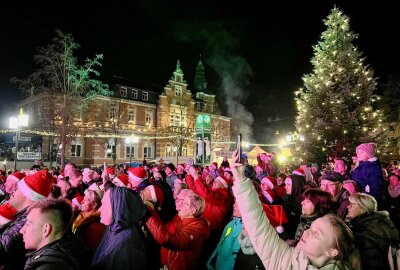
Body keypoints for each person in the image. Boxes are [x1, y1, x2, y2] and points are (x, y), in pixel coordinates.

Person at [230, 150, 360, 270]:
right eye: (311, 228)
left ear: (332, 251)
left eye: (317, 233)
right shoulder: (286, 260)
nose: (306, 232)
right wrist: (240, 180)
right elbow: (257, 225)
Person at [0, 169, 54, 269]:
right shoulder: (25, 216)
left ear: (26, 194)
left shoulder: (28, 220)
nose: (12, 193)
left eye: (16, 189)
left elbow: (3, 248)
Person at [146, 189, 210, 270]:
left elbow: (169, 240)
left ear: (193, 211)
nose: (180, 205)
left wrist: (148, 217)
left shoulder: (197, 229)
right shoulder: (181, 217)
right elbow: (164, 231)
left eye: (184, 203)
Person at [20, 198, 90, 269]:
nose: (22, 230)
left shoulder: (49, 266)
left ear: (46, 230)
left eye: (28, 224)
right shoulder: (60, 257)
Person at [91, 183, 148, 270]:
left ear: (119, 208)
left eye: (104, 204)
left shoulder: (129, 249)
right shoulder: (114, 228)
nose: (99, 209)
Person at [346, 193, 399, 270]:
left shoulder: (364, 231)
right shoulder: (380, 221)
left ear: (363, 208)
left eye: (352, 204)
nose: (348, 206)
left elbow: (372, 262)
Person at [207, 201, 243, 270]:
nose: (233, 205)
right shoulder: (231, 224)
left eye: (237, 204)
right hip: (216, 265)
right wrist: (210, 261)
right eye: (234, 202)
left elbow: (235, 260)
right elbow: (220, 244)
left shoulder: (244, 231)